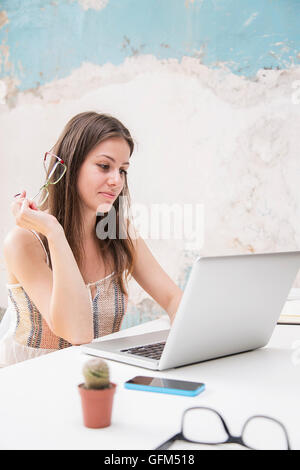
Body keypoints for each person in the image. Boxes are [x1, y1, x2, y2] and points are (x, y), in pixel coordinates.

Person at [0, 111, 183, 367]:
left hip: (98, 376)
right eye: (104, 166)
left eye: (123, 170)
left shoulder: (118, 231)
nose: (116, 180)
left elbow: (174, 299)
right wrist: (54, 232)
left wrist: (188, 348)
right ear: (71, 165)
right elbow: (77, 332)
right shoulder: (24, 241)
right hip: (33, 382)